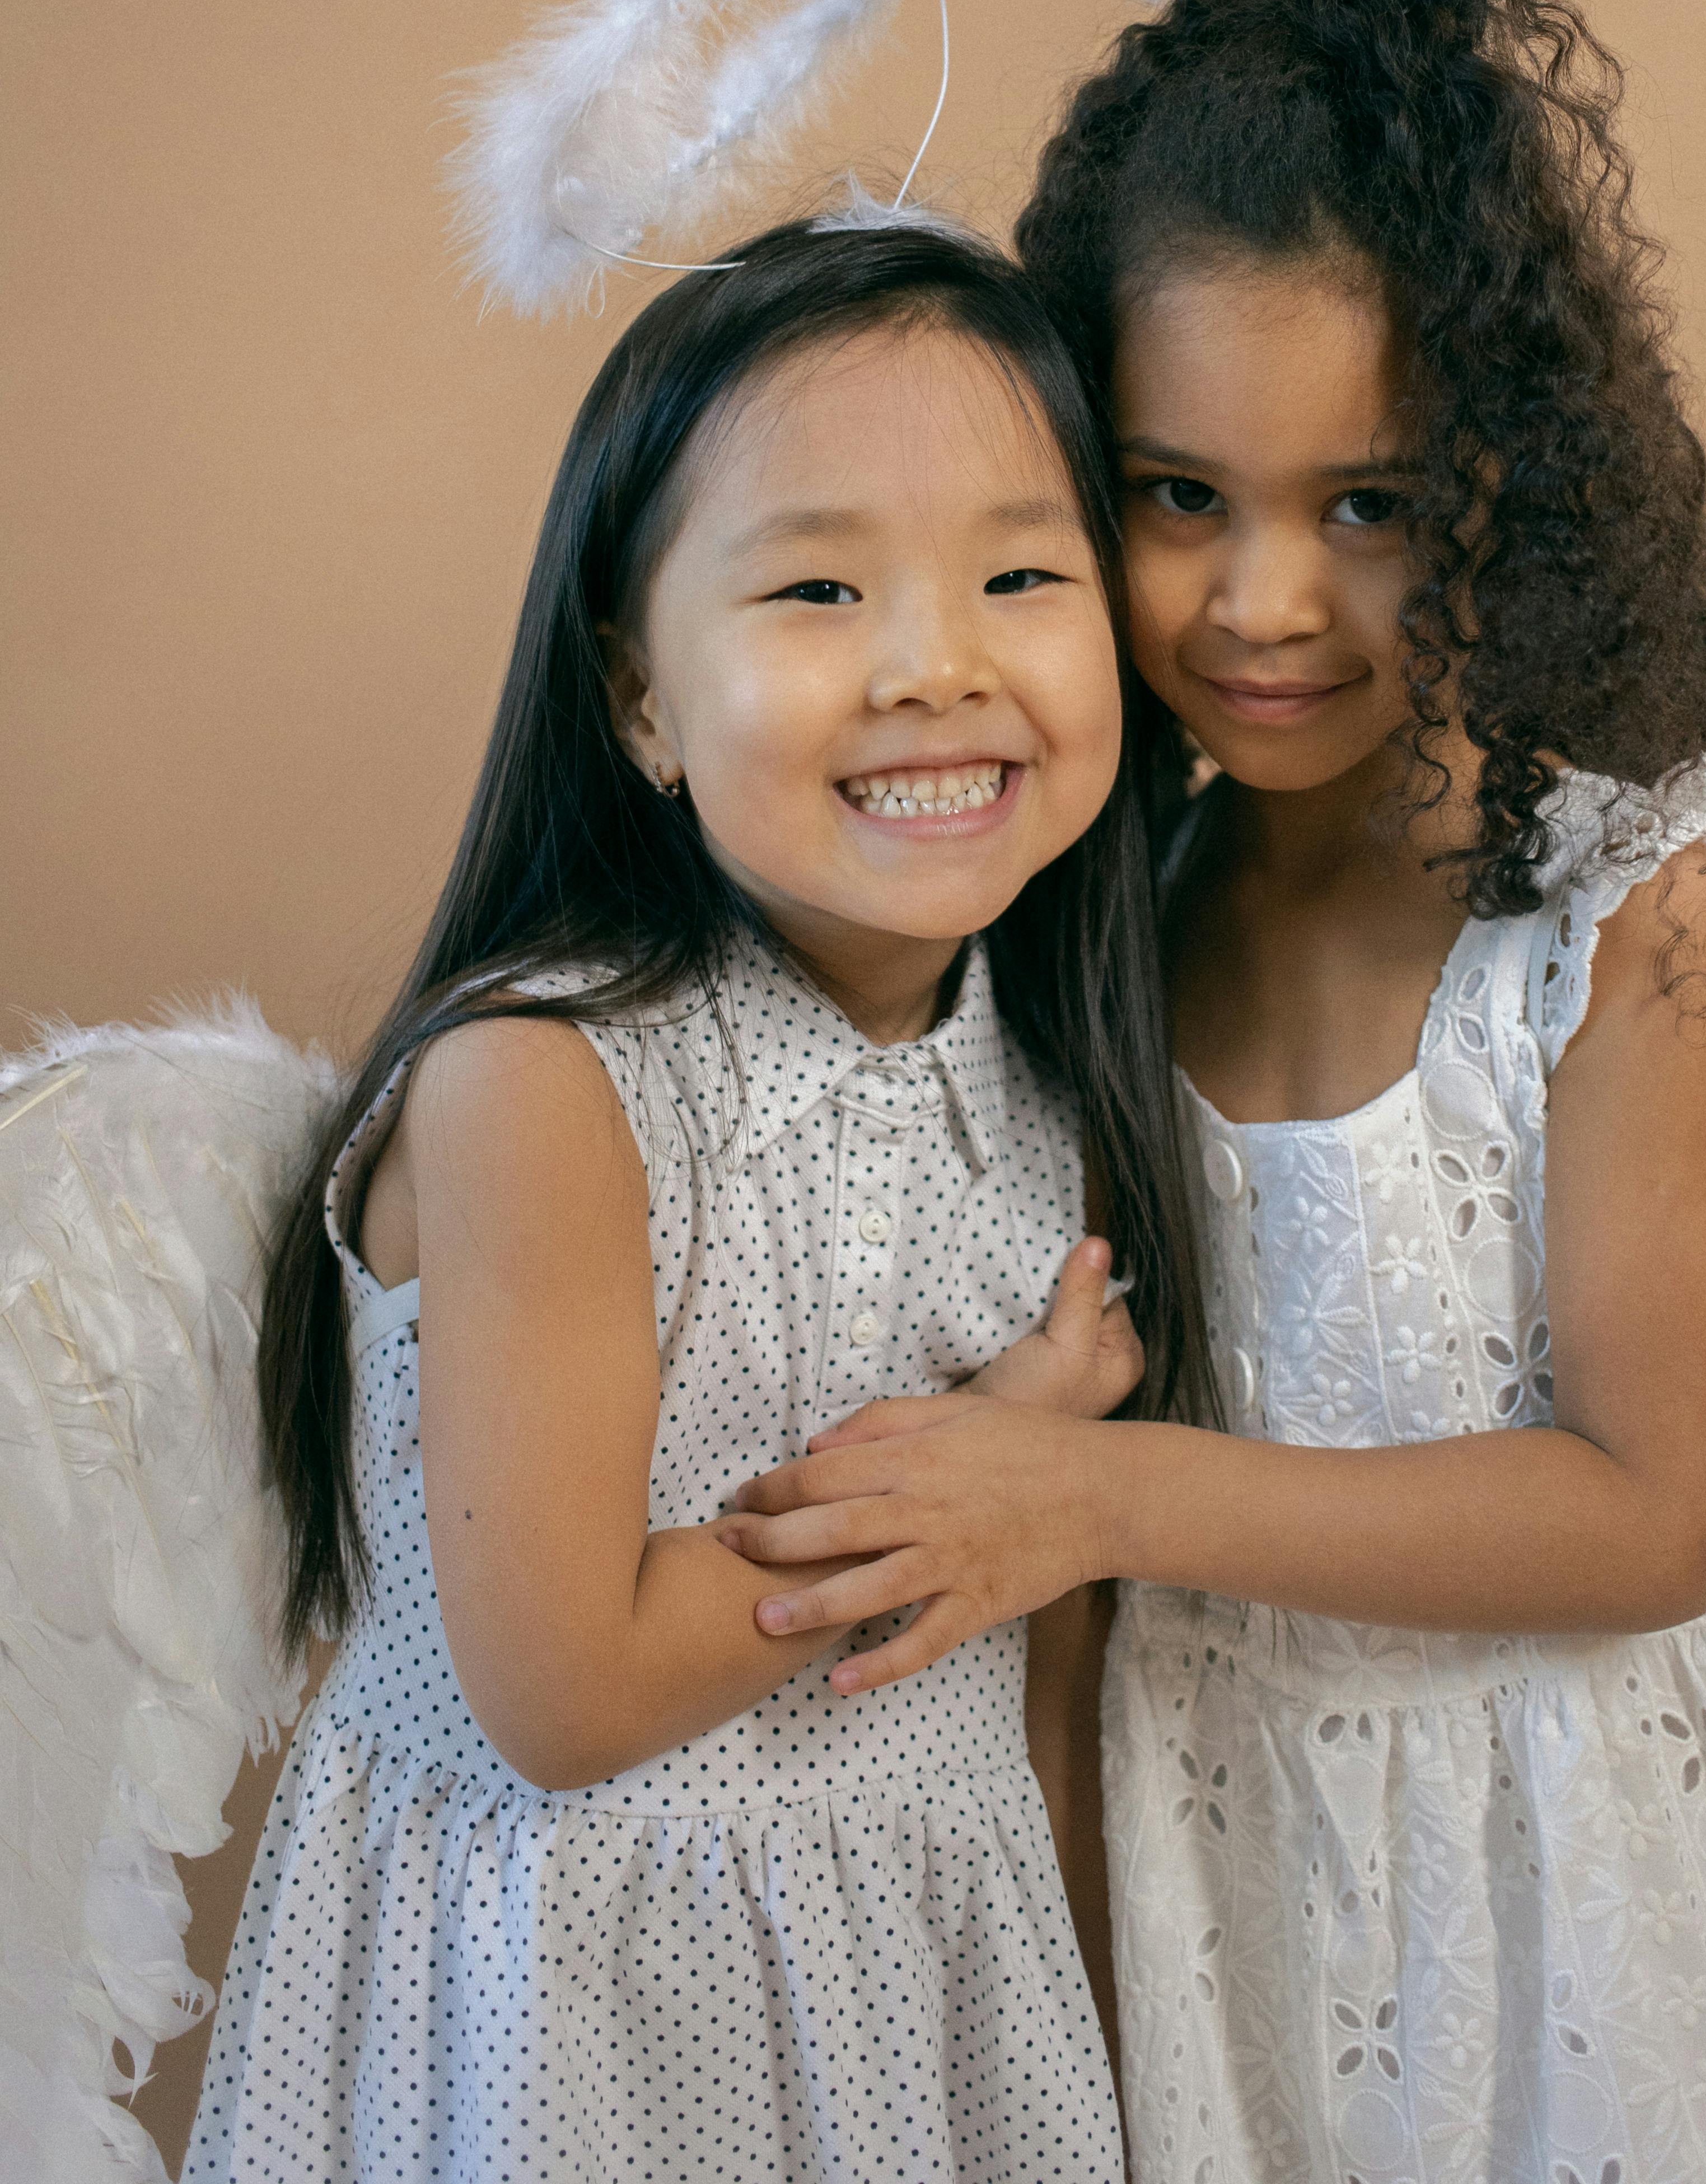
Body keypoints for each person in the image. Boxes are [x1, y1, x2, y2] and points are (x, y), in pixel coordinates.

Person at [717, 0, 1706, 2182]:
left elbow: (1650, 1512)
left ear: (1518, 485)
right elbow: (1058, 1609)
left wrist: (1082, 1496)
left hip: (1609, 1891)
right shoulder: (1095, 902)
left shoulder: (1625, 904)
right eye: (1180, 493)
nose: (1266, 600)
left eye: (1373, 505)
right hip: (1242, 1880)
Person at [186, 214, 1207, 2184]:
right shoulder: (543, 1090)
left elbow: (1049, 1710)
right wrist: (996, 1454)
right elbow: (569, 1690)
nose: (936, 664)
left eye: (1019, 572)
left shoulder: (1051, 1086)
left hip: (927, 2009)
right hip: (572, 2013)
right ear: (639, 693)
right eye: (819, 587)